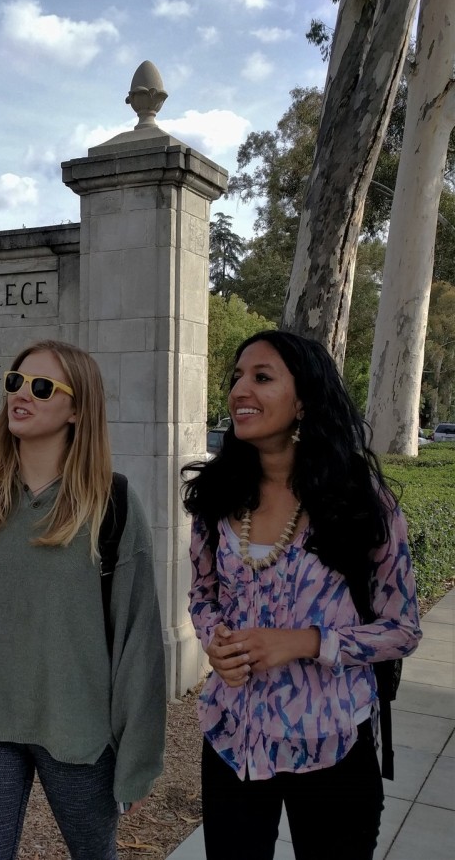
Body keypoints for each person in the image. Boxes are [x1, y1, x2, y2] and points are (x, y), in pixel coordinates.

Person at [181, 330, 422, 860]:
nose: (240, 389)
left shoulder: (361, 502)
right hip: (233, 738)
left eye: (262, 377)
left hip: (332, 741)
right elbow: (202, 594)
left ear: (305, 402)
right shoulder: (216, 498)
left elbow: (403, 630)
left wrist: (308, 641)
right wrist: (212, 640)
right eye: (237, 377)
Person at [0, 339, 166, 860]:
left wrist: (137, 758)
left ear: (78, 408)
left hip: (77, 729)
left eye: (41, 387)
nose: (21, 395)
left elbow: (138, 639)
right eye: (15, 382)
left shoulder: (114, 502)